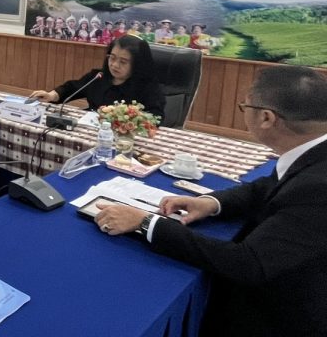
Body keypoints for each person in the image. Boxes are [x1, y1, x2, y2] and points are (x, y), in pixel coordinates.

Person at [93, 66, 327, 336]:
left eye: (244, 106)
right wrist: (211, 203)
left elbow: (248, 263)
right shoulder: (312, 152)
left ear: (266, 118)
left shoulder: (318, 188)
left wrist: (147, 223)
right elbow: (268, 186)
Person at [29, 35, 165, 119]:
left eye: (123, 62)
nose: (115, 65)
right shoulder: (99, 76)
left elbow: (155, 117)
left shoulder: (148, 87)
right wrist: (51, 95)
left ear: (137, 64)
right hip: (90, 128)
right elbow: (72, 87)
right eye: (112, 58)